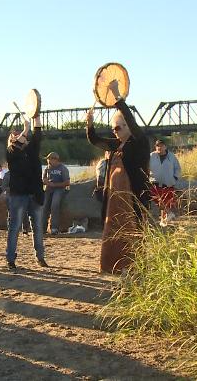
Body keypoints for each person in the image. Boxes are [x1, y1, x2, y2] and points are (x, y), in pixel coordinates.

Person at [86, 80, 150, 274]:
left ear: (128, 127)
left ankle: (136, 269)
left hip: (135, 198)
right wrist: (89, 124)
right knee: (114, 234)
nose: (115, 131)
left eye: (118, 127)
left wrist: (116, 97)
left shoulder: (140, 142)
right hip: (114, 202)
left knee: (135, 233)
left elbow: (131, 120)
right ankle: (115, 267)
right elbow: (95, 139)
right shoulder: (116, 145)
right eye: (113, 128)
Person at [5, 114, 48, 270]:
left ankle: (40, 257)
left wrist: (36, 116)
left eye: (20, 134)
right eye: (13, 135)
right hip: (18, 195)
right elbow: (16, 145)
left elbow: (37, 134)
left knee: (37, 227)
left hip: (34, 193)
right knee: (15, 227)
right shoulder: (10, 151)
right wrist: (25, 128)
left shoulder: (32, 149)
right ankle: (10, 258)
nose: (16, 136)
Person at [148, 139, 181, 226]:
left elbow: (177, 168)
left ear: (165, 147)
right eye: (158, 146)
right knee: (158, 200)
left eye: (161, 145)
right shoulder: (151, 156)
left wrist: (175, 178)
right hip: (154, 182)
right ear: (155, 147)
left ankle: (163, 221)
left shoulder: (172, 156)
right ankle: (169, 213)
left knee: (166, 202)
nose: (160, 147)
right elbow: (146, 167)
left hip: (168, 183)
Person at [42, 152, 70, 235]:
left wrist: (55, 185)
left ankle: (54, 228)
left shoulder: (63, 168)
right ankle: (42, 228)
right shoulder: (47, 168)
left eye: (50, 159)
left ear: (55, 160)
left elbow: (67, 182)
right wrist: (45, 181)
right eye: (48, 160)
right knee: (44, 207)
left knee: (54, 205)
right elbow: (43, 179)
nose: (48, 161)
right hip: (48, 189)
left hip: (59, 189)